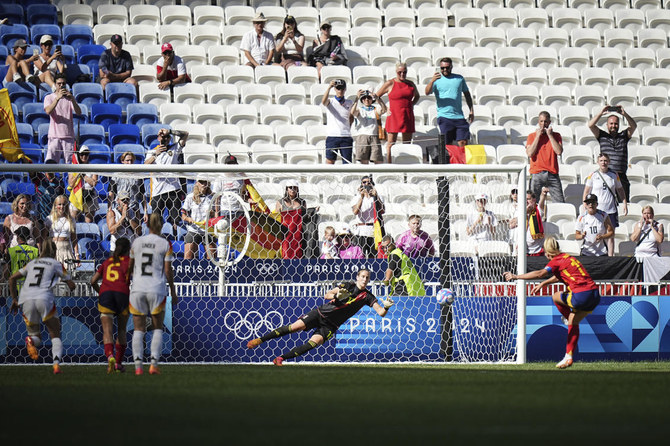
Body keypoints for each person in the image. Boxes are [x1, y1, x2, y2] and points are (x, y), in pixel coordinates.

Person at [247, 268, 394, 366]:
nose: (364, 279)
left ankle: (281, 359)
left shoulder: (367, 296)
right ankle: (259, 340)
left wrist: (386, 306)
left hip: (331, 325)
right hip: (320, 313)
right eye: (362, 276)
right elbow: (326, 295)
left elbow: (381, 313)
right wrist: (336, 295)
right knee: (294, 327)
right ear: (357, 277)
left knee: (313, 343)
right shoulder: (348, 285)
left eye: (367, 278)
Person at [504, 237, 601, 369]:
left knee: (555, 296)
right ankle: (568, 357)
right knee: (574, 321)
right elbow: (558, 276)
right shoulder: (567, 257)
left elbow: (540, 273)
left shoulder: (555, 261)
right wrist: (544, 283)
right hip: (595, 295)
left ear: (547, 253)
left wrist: (516, 276)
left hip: (580, 295)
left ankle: (566, 318)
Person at [9, 239, 76, 374]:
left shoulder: (31, 263)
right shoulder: (56, 264)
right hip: (44, 297)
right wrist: (69, 286)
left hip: (26, 298)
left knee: (36, 337)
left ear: (41, 250)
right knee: (55, 333)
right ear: (54, 251)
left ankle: (30, 340)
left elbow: (11, 279)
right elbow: (72, 285)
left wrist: (14, 299)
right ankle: (56, 365)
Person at [129, 213, 177, 375]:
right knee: (157, 327)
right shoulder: (165, 244)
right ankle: (153, 364)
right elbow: (168, 271)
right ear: (161, 225)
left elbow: (130, 267)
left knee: (138, 328)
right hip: (156, 288)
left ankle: (137, 367)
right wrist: (173, 291)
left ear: (147, 225)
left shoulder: (136, 242)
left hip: (138, 288)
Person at [90, 237, 132, 373]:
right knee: (121, 330)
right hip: (122, 295)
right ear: (128, 250)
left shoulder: (107, 262)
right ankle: (118, 363)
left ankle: (110, 357)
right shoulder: (129, 262)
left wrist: (101, 292)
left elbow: (92, 281)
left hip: (106, 295)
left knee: (107, 331)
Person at [424, 57, 474, 154]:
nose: (445, 70)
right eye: (442, 68)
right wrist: (432, 81)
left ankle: (463, 165)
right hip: (445, 117)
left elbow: (467, 94)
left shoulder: (459, 78)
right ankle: (450, 166)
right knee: (448, 145)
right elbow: (426, 92)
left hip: (459, 116)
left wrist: (471, 110)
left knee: (463, 142)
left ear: (451, 67)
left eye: (447, 68)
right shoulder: (436, 80)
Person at [588, 105, 637, 201]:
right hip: (607, 175)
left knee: (623, 205)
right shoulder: (602, 136)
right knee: (606, 203)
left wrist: (624, 114)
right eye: (611, 124)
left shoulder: (624, 136)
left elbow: (634, 126)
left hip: (621, 176)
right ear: (607, 125)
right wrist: (601, 113)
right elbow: (590, 125)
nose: (613, 126)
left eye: (615, 124)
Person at [145, 128, 189, 234]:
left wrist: (169, 131)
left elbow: (185, 134)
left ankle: (175, 242)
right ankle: (157, 241)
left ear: (170, 138)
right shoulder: (152, 152)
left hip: (173, 190)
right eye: (162, 137)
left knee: (176, 221)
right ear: (158, 138)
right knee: (156, 221)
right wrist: (156, 154)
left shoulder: (174, 149)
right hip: (157, 191)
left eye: (167, 137)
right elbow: (145, 165)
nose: (164, 139)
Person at [583, 153, 628, 256]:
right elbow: (586, 191)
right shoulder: (593, 175)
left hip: (610, 209)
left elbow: (620, 190)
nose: (604, 163)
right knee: (597, 233)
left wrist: (624, 203)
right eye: (601, 160)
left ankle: (610, 256)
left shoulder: (614, 174)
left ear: (609, 162)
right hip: (597, 210)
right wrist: (585, 204)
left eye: (605, 161)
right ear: (598, 162)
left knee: (611, 235)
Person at [376, 62, 420, 164]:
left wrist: (412, 104)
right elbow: (376, 96)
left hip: (407, 115)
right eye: (400, 72)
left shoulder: (410, 83)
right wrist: (385, 107)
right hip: (394, 116)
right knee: (391, 143)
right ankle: (390, 164)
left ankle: (405, 163)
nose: (402, 74)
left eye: (404, 72)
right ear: (396, 72)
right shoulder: (390, 83)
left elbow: (417, 96)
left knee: (407, 143)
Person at [526, 111, 564, 203]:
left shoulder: (556, 135)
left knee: (560, 203)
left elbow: (559, 151)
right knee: (532, 203)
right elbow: (530, 153)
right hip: (536, 173)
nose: (543, 124)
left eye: (545, 121)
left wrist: (550, 135)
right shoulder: (532, 136)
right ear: (538, 122)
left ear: (549, 122)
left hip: (552, 173)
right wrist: (538, 136)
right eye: (541, 121)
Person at [43, 73, 81, 164]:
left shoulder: (69, 98)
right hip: (54, 136)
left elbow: (79, 112)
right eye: (59, 84)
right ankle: (51, 179)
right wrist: (57, 98)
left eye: (63, 83)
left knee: (71, 166)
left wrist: (72, 98)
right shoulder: (49, 97)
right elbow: (48, 111)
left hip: (68, 137)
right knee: (51, 164)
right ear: (55, 84)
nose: (61, 86)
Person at [108, 151, 147, 230]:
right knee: (120, 230)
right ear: (122, 161)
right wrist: (109, 209)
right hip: (120, 208)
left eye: (131, 160)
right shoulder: (116, 175)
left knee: (136, 232)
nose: (129, 163)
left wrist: (145, 212)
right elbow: (111, 193)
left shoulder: (138, 176)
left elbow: (142, 195)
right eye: (127, 160)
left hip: (134, 208)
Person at [351, 175, 385, 258]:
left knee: (374, 256)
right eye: (364, 182)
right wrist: (361, 197)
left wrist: (376, 196)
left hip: (374, 230)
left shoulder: (377, 197)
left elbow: (382, 210)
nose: (366, 184)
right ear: (361, 184)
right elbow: (355, 211)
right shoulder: (356, 198)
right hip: (361, 231)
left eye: (369, 182)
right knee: (360, 256)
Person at [350, 89, 387, 165]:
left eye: (369, 98)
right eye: (364, 98)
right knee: (363, 161)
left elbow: (384, 109)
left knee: (378, 160)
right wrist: (356, 98)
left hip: (374, 136)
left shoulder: (375, 109)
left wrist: (378, 98)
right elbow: (352, 112)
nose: (366, 100)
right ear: (362, 100)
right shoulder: (360, 109)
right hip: (362, 137)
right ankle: (365, 176)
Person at [181, 178, 215, 260]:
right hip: (194, 229)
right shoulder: (190, 197)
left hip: (208, 230)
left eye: (205, 182)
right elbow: (183, 214)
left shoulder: (212, 197)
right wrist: (189, 219)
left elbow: (216, 215)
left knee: (212, 258)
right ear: (197, 183)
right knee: (188, 257)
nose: (203, 184)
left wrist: (211, 213)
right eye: (201, 182)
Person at [322, 79, 354, 165]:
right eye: (338, 89)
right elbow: (323, 101)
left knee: (347, 162)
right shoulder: (331, 101)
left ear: (345, 89)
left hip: (346, 136)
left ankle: (346, 178)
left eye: (342, 89)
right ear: (335, 89)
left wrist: (348, 127)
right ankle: (328, 178)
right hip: (333, 135)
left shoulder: (349, 102)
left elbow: (351, 117)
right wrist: (329, 87)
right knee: (330, 161)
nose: (340, 91)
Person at [275, 179, 307, 259]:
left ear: (297, 189)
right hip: (285, 234)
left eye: (294, 188)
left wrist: (313, 210)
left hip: (299, 234)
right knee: (286, 255)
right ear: (286, 189)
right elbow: (276, 219)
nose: (292, 190)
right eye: (290, 187)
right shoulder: (280, 202)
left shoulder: (302, 202)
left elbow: (306, 217)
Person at [213, 154, 250, 220]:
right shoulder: (220, 178)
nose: (231, 166)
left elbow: (243, 195)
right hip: (226, 210)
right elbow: (217, 198)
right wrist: (216, 212)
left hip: (239, 210)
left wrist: (249, 200)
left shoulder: (241, 178)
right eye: (230, 164)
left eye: (233, 164)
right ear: (226, 165)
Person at [68, 146, 98, 223]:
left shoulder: (93, 167)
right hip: (77, 194)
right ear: (78, 155)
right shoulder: (73, 167)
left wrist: (83, 175)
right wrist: (78, 174)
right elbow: (71, 184)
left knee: (89, 221)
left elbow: (94, 183)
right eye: (82, 154)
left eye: (86, 154)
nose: (84, 156)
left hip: (89, 195)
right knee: (72, 219)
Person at [47, 195, 79, 267]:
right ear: (55, 206)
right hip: (54, 248)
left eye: (64, 204)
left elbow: (74, 239)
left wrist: (77, 255)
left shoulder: (71, 220)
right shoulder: (49, 219)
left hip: (66, 249)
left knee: (66, 275)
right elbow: (44, 237)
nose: (62, 207)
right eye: (59, 204)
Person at [525, 189, 548, 256]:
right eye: (525, 199)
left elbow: (541, 202)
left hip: (537, 250)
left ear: (534, 200)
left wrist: (543, 194)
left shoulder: (538, 210)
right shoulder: (520, 211)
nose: (526, 201)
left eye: (528, 199)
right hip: (524, 251)